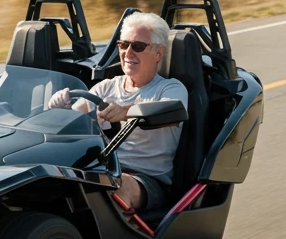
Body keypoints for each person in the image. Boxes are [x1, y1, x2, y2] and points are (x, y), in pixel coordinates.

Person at [46, 12, 188, 211]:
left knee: (117, 187)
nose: (128, 53)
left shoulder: (170, 88)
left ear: (158, 53)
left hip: (146, 180)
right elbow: (74, 120)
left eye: (138, 46)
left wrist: (126, 112)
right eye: (124, 45)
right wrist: (60, 108)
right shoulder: (105, 88)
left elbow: (173, 110)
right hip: (102, 169)